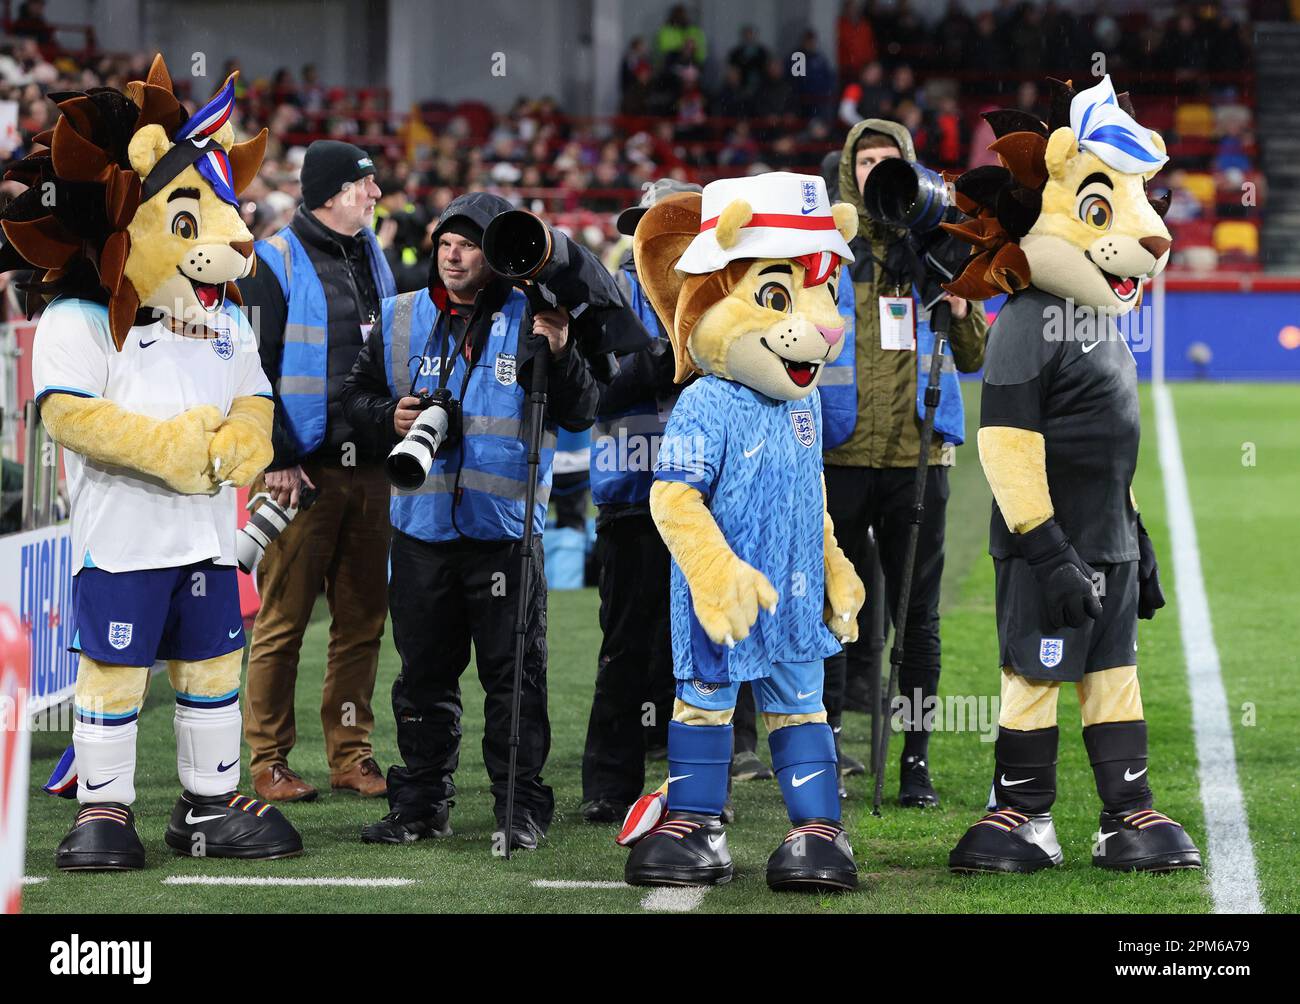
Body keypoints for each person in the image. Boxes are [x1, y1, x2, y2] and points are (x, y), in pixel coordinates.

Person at [344, 193, 599, 850]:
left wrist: (564, 351)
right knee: (422, 678)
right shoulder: (400, 317)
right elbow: (355, 398)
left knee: (516, 679)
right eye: (445, 243)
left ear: (493, 256)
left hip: (504, 535)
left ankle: (519, 807)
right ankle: (420, 807)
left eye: (468, 244)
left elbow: (580, 412)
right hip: (422, 532)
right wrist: (387, 418)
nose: (454, 254)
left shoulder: (535, 316)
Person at [820, 119, 989, 807]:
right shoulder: (824, 249)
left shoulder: (942, 247)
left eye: (890, 161)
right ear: (848, 172)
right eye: (866, 162)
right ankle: (822, 747)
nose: (876, 172)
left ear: (912, 170)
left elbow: (972, 355)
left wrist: (961, 305)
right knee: (829, 610)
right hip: (837, 452)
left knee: (917, 617)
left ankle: (914, 760)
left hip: (920, 457)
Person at [238, 140, 397, 803]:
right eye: (366, 184)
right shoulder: (270, 260)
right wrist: (275, 458)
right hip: (298, 472)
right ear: (333, 193)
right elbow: (249, 366)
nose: (376, 195)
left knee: (361, 626)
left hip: (370, 470)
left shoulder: (374, 256)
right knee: (281, 625)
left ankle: (351, 755)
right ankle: (267, 762)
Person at [579, 179, 699, 824]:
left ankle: (701, 779)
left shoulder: (728, 292)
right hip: (632, 495)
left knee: (705, 644)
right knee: (625, 643)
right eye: (651, 222)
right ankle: (609, 780)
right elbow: (588, 393)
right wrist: (664, 359)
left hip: (709, 497)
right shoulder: (608, 296)